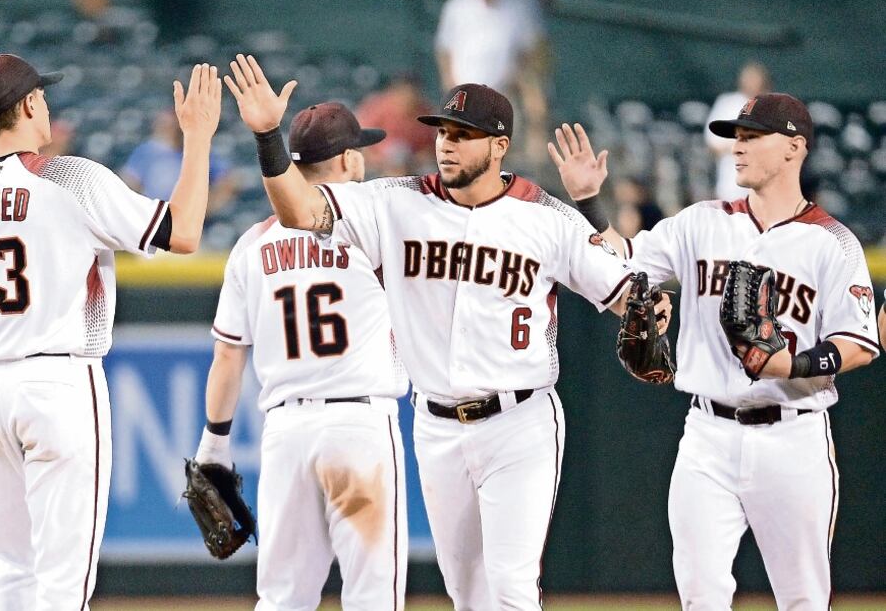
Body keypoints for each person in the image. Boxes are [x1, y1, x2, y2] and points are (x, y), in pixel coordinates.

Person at [223, 53, 668, 610]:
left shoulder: (546, 216)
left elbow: (628, 294)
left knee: (510, 587)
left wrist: (646, 305)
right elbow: (299, 211)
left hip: (521, 421)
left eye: (464, 134)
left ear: (499, 145)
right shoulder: (394, 203)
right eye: (443, 131)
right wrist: (268, 136)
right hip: (436, 427)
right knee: (467, 592)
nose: (447, 143)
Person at [0, 54, 222, 610]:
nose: (46, 103)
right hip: (58, 384)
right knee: (63, 582)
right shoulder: (69, 177)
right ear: (28, 105)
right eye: (41, 95)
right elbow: (186, 232)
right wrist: (197, 139)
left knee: (12, 575)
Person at [550, 94, 879, 609]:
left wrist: (791, 364)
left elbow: (858, 344)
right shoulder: (700, 222)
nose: (738, 148)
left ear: (794, 147)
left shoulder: (832, 243)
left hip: (793, 437)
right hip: (707, 435)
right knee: (700, 595)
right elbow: (626, 264)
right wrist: (591, 203)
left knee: (804, 600)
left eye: (752, 138)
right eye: (736, 137)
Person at [193, 101, 408, 611]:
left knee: (282, 598)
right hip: (359, 424)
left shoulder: (251, 245)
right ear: (346, 160)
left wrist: (214, 447)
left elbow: (228, 356)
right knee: (374, 596)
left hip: (286, 435)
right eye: (359, 150)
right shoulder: (375, 222)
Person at [436, 0, 549, 167]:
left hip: (502, 89)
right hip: (464, 89)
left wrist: (517, 79)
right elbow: (445, 48)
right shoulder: (457, 7)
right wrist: (448, 80)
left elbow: (526, 50)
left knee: (503, 141)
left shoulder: (514, 9)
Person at [121, 109, 237, 217]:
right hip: (156, 217)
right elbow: (129, 184)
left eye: (174, 126)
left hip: (190, 221)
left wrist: (207, 208)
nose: (170, 130)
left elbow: (227, 182)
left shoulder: (198, 151)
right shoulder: (146, 152)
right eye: (166, 125)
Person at [705, 62, 771, 201]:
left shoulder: (773, 105)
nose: (751, 83)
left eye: (755, 79)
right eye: (748, 78)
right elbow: (712, 142)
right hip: (731, 186)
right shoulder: (728, 103)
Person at [355, 74, 436, 177]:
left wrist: (416, 160)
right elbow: (361, 140)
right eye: (403, 91)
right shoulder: (378, 106)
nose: (408, 96)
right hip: (379, 161)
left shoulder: (425, 111)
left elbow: (429, 148)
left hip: (412, 161)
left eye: (412, 92)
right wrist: (378, 160)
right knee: (397, 153)